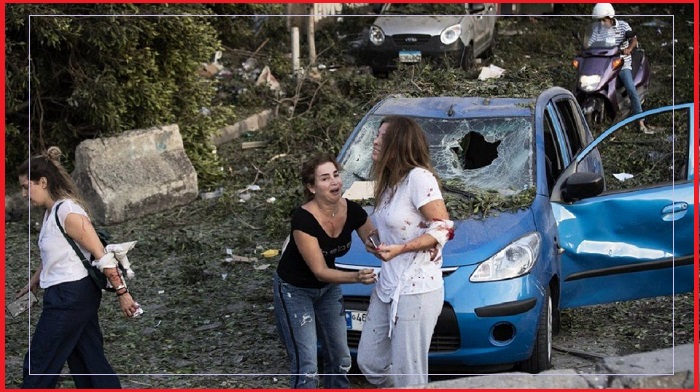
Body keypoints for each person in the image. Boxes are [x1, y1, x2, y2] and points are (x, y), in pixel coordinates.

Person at [15, 146, 140, 388]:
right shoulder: (51, 212)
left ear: (42, 182)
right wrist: (34, 281)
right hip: (65, 294)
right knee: (88, 361)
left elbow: (101, 255)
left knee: (39, 363)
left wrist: (123, 295)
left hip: (71, 296)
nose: (23, 194)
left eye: (25, 186)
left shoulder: (69, 212)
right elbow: (56, 254)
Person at [356, 116, 454, 388]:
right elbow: (396, 226)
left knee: (408, 375)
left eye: (382, 136)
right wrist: (375, 240)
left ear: (398, 143)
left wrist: (402, 249)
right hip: (388, 285)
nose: (375, 141)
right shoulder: (389, 182)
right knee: (370, 362)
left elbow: (444, 227)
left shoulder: (419, 178)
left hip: (417, 289)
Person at [273, 153, 378, 389]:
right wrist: (356, 277)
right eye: (324, 178)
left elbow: (376, 241)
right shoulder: (303, 219)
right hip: (295, 291)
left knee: (341, 358)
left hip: (328, 290)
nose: (334, 182)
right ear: (311, 187)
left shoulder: (352, 210)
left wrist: (387, 246)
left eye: (336, 175)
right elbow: (320, 271)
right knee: (307, 363)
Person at [590, 3, 650, 133]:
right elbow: (591, 44)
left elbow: (633, 38)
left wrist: (629, 48)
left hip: (622, 64)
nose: (601, 23)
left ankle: (641, 122)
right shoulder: (597, 30)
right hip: (603, 65)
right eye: (599, 20)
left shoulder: (623, 25)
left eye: (603, 20)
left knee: (631, 89)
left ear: (610, 17)